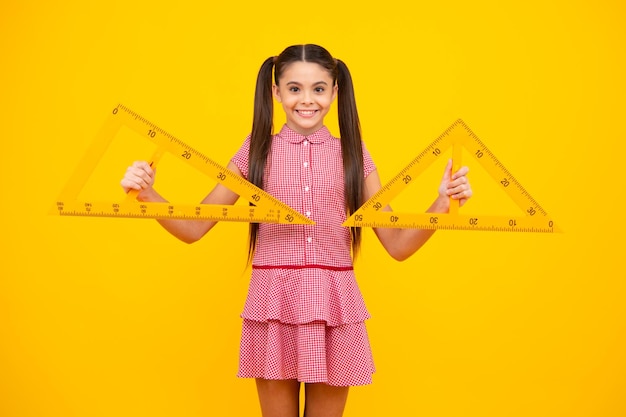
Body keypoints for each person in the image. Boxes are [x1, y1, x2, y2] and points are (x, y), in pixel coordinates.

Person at [121, 44, 472, 417]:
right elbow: (193, 228)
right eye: (294, 88)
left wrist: (441, 204)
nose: (307, 100)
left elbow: (398, 244)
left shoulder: (354, 155)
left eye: (319, 89)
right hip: (273, 304)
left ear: (335, 92)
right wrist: (147, 194)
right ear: (276, 92)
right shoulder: (253, 154)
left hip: (335, 306)